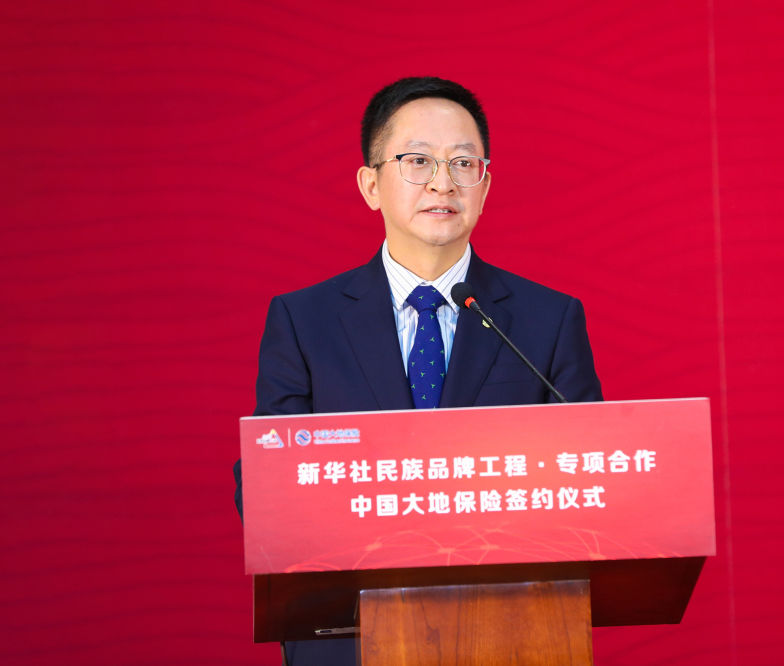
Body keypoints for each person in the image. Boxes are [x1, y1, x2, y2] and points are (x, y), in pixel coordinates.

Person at [236, 76, 602, 665]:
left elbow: (592, 476)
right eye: (418, 161)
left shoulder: (547, 320)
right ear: (370, 185)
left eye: (463, 163)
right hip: (349, 636)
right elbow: (264, 481)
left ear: (485, 185)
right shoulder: (304, 321)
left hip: (512, 630)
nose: (442, 182)